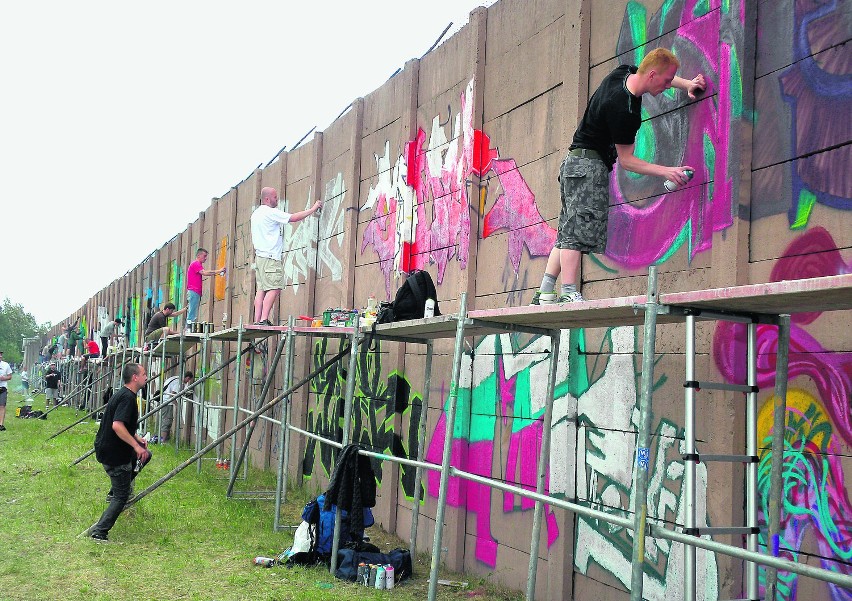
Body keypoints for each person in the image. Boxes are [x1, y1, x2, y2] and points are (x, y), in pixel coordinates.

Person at [531, 48, 706, 305]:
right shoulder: (625, 109)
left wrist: (687, 84)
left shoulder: (623, 72)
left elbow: (654, 70)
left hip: (574, 165)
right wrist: (667, 171)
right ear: (652, 75)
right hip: (588, 168)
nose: (669, 85)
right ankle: (569, 292)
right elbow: (628, 161)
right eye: (668, 81)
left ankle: (546, 291)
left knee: (568, 230)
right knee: (577, 234)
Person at [88, 362, 150, 541]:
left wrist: (137, 439)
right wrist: (136, 446)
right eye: (144, 374)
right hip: (113, 453)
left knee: (146, 455)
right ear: (135, 377)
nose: (146, 377)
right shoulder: (127, 398)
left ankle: (114, 491)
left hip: (109, 448)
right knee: (122, 496)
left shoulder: (125, 394)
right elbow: (117, 425)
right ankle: (100, 531)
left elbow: (123, 424)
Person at [251, 186, 322, 325]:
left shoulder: (256, 214)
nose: (277, 199)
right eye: (275, 197)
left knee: (261, 289)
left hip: (259, 257)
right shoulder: (270, 212)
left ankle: (257, 320)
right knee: (275, 287)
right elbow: (293, 218)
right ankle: (264, 319)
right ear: (267, 199)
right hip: (271, 257)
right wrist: (313, 208)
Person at [185, 248, 225, 327]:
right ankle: (188, 329)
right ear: (199, 255)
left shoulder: (196, 264)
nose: (206, 258)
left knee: (193, 311)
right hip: (194, 291)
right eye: (204, 256)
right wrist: (219, 271)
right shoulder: (196, 264)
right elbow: (205, 273)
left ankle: (189, 328)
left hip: (195, 292)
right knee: (192, 312)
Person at [159, 370, 193, 443]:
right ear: (187, 377)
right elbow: (172, 395)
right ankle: (163, 441)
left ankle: (164, 440)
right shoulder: (178, 382)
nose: (188, 382)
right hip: (167, 403)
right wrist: (178, 405)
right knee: (167, 421)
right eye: (188, 380)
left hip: (164, 400)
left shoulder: (175, 378)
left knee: (166, 420)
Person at [0, 351, 11, 431]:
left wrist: (4, 378)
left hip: (2, 388)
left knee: (2, 406)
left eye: (1, 355)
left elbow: (10, 376)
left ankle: (1, 424)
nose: (0, 356)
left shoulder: (6, 365)